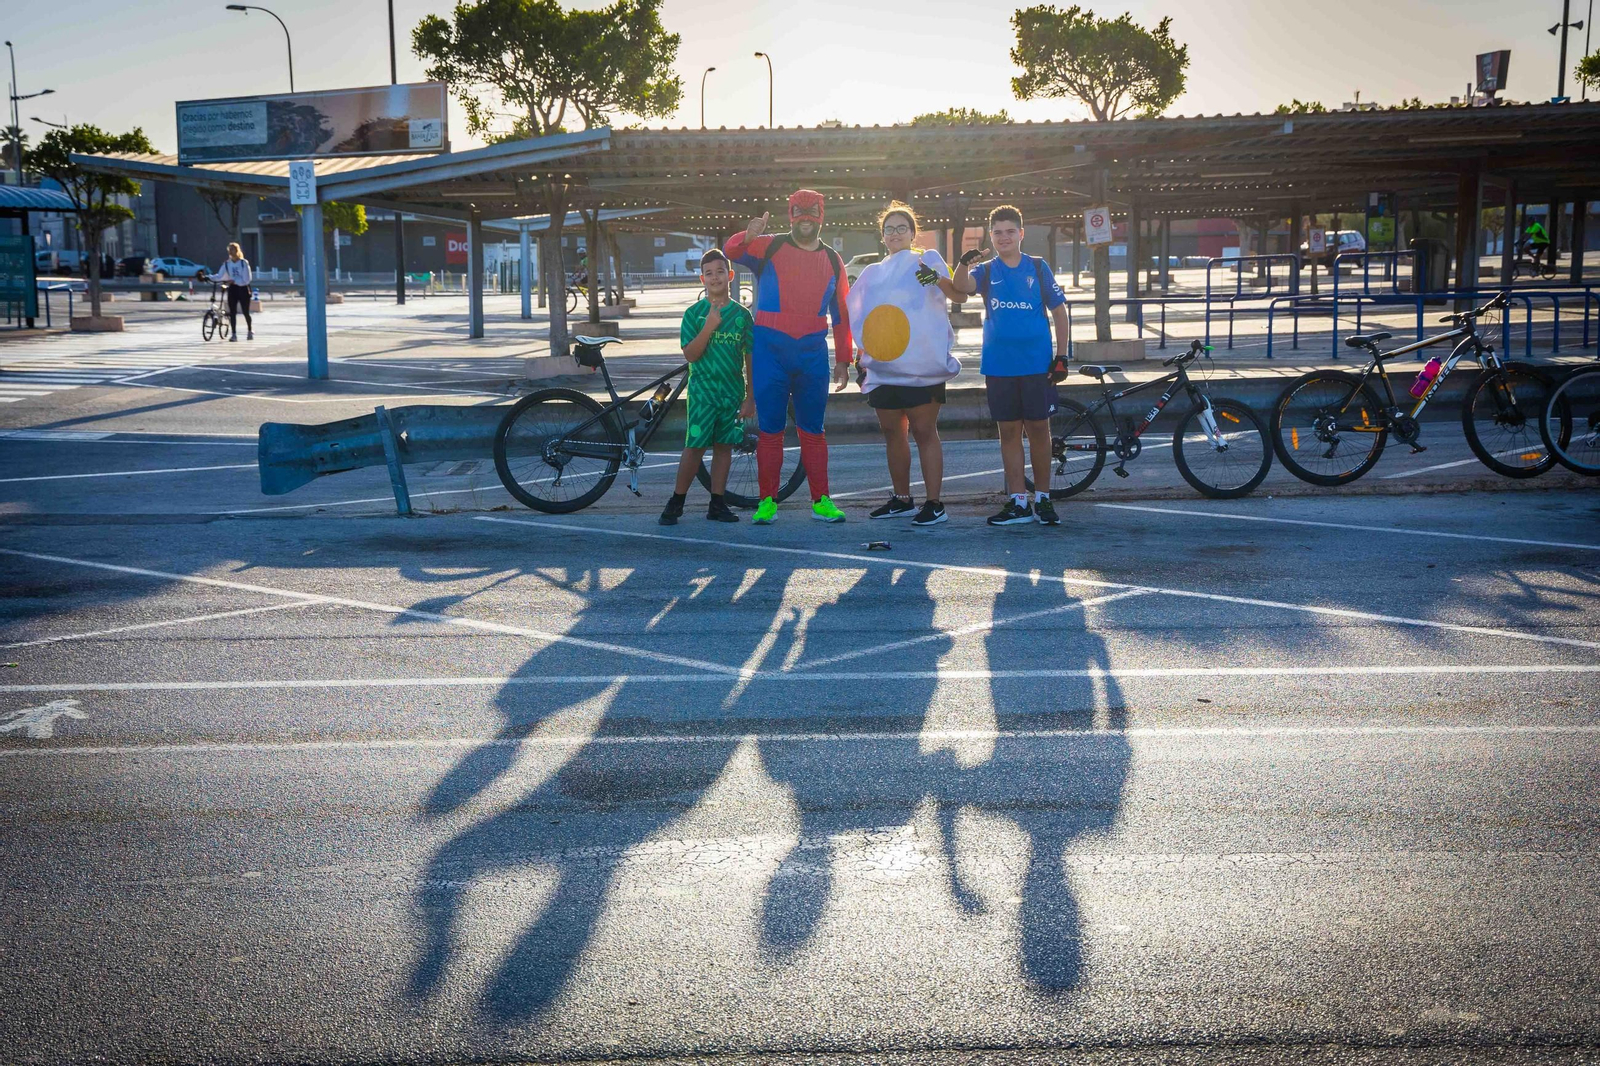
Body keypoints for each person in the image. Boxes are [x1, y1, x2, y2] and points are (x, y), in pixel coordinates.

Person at [724, 189, 853, 525]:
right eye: (800, 213)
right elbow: (730, 250)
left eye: (813, 213)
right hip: (770, 352)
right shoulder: (769, 245)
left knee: (813, 429)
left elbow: (841, 313)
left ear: (822, 216)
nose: (806, 219)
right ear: (791, 214)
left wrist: (843, 359)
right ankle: (767, 501)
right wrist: (747, 235)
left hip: (811, 353)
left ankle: (821, 499)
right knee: (770, 431)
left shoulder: (834, 260)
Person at [846, 201, 965, 527]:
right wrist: (860, 353)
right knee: (892, 432)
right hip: (885, 366)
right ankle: (901, 498)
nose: (895, 233)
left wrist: (936, 279)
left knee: (925, 432)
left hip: (921, 365)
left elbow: (958, 295)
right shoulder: (873, 271)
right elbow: (858, 310)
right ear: (882, 235)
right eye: (889, 229)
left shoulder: (927, 258)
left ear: (913, 233)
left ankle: (934, 503)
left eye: (902, 228)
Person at [953, 205, 1070, 527]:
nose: (1004, 237)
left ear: (1021, 234)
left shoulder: (1037, 266)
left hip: (1036, 365)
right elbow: (961, 287)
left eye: (1009, 231)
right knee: (1008, 434)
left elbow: (1060, 311)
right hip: (999, 366)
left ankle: (1043, 499)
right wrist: (964, 263)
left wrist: (1062, 355)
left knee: (1039, 432)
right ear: (991, 236)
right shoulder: (987, 271)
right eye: (997, 232)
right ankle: (1018, 502)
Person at [660, 249, 755, 526]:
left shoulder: (742, 316)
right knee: (695, 445)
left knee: (724, 446)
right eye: (709, 273)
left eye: (720, 272)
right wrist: (709, 327)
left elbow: (750, 358)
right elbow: (690, 355)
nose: (715, 277)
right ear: (702, 279)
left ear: (731, 275)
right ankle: (676, 501)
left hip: (731, 391)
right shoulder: (694, 314)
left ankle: (717, 502)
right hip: (703, 392)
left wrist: (751, 397)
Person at [209, 242, 254, 341]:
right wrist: (208, 277)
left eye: (233, 249)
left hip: (243, 289)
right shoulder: (227, 264)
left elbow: (247, 279)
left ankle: (250, 331)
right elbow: (219, 276)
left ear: (237, 251)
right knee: (232, 312)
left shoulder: (243, 263)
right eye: (229, 250)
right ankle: (234, 334)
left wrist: (234, 280)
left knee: (245, 311)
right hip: (232, 289)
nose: (231, 252)